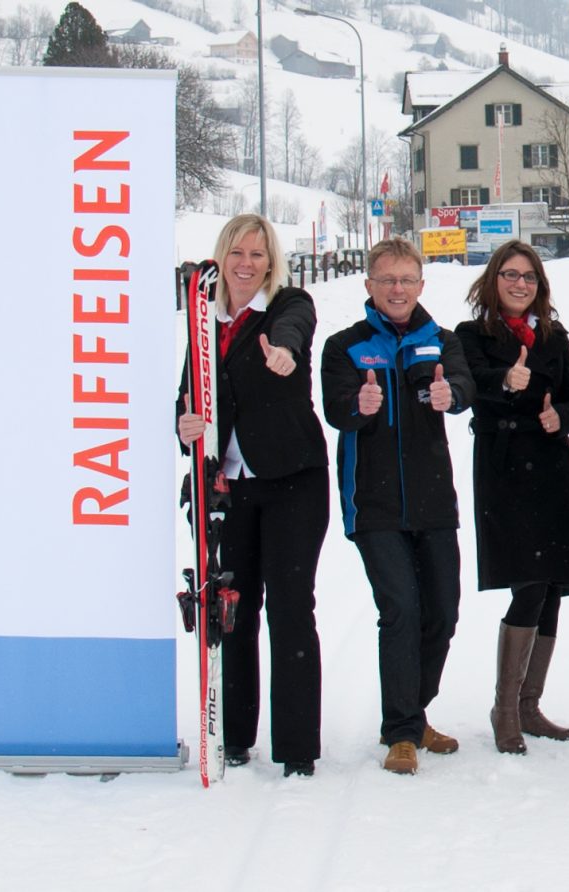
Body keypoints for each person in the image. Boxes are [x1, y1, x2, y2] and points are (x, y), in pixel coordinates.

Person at [176, 213, 329, 778]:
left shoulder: (288, 305)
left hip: (292, 481)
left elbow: (294, 329)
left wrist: (284, 351)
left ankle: (296, 746)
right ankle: (234, 735)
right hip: (226, 489)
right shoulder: (203, 321)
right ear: (221, 257)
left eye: (257, 255)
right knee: (232, 609)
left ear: (270, 263)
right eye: (237, 253)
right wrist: (184, 426)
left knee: (291, 609)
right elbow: (185, 398)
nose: (246, 264)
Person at [320, 237, 475, 776]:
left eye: (407, 279)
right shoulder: (345, 346)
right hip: (375, 504)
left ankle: (414, 710)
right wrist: (358, 405)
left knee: (443, 613)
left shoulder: (441, 341)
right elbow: (336, 409)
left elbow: (463, 384)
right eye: (387, 279)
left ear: (421, 285)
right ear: (369, 285)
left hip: (433, 503)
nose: (397, 289)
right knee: (401, 610)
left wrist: (452, 395)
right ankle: (402, 732)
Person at [454, 241, 569, 755]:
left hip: (552, 467)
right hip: (504, 470)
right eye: (510, 275)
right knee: (529, 583)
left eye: (529, 277)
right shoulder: (471, 334)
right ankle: (505, 708)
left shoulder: (554, 336)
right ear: (493, 280)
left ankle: (528, 704)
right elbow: (468, 385)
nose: (520, 284)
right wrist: (504, 379)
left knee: (553, 585)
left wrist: (562, 416)